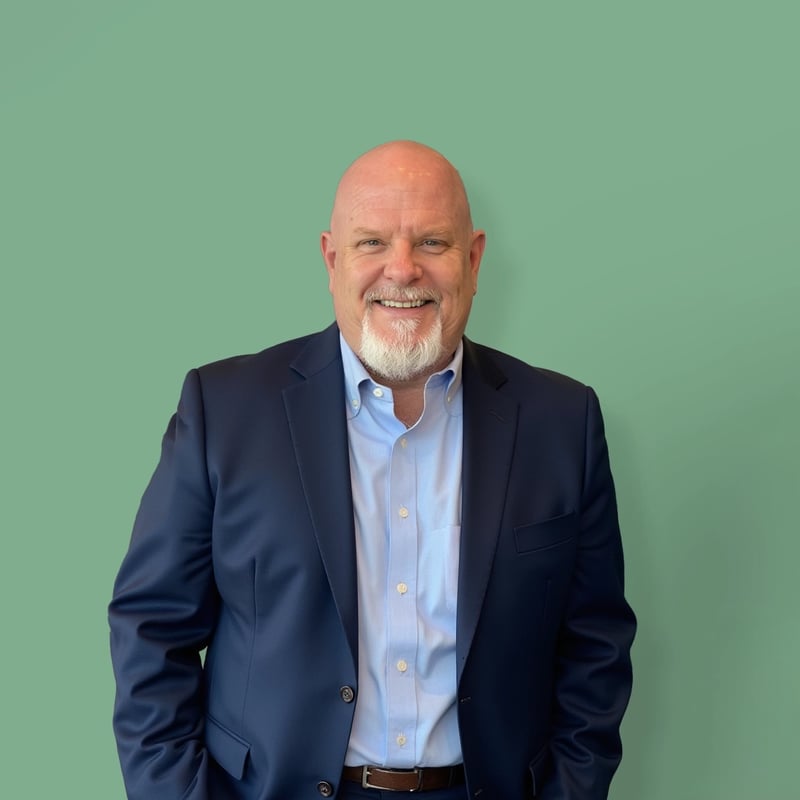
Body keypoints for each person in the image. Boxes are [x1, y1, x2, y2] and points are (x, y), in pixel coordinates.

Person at [109, 140, 636, 800]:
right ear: (332, 259)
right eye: (372, 243)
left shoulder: (563, 422)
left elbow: (596, 646)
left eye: (432, 244)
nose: (403, 270)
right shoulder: (223, 411)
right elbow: (150, 634)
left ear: (473, 261)